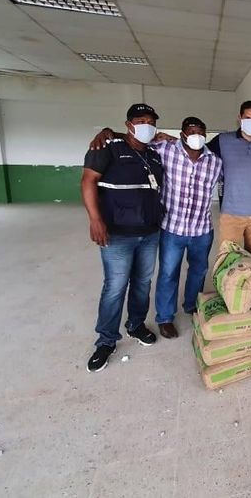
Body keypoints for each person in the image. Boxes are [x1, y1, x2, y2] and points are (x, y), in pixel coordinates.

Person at [81, 103, 164, 373]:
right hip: (117, 234)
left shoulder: (153, 155)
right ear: (128, 125)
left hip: (149, 232)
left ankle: (136, 324)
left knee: (142, 283)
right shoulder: (107, 147)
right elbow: (88, 181)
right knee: (115, 286)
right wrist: (95, 219)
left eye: (150, 121)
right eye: (140, 121)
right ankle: (106, 340)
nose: (146, 126)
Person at [151, 117, 223, 339]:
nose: (196, 136)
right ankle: (165, 318)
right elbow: (138, 143)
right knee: (168, 273)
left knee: (198, 270)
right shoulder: (166, 150)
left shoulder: (215, 161)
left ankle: (191, 305)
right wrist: (109, 133)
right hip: (172, 227)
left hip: (202, 229)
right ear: (182, 134)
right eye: (192, 132)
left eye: (200, 132)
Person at [207, 100, 251, 252]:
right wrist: (173, 139)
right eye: (247, 118)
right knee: (228, 257)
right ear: (240, 118)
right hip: (231, 213)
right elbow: (198, 150)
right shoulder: (222, 140)